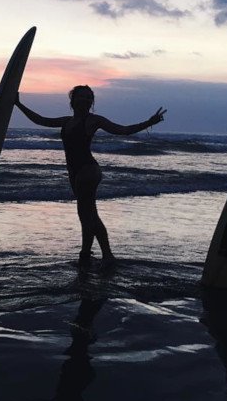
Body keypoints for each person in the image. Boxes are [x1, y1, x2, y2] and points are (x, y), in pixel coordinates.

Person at [15, 86, 166, 267]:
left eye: (89, 98)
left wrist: (149, 122)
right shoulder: (66, 121)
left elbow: (123, 130)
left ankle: (98, 255)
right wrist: (18, 105)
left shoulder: (94, 120)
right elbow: (41, 120)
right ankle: (93, 254)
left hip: (88, 171)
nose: (85, 100)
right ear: (73, 100)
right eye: (82, 97)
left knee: (87, 216)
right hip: (75, 172)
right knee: (88, 215)